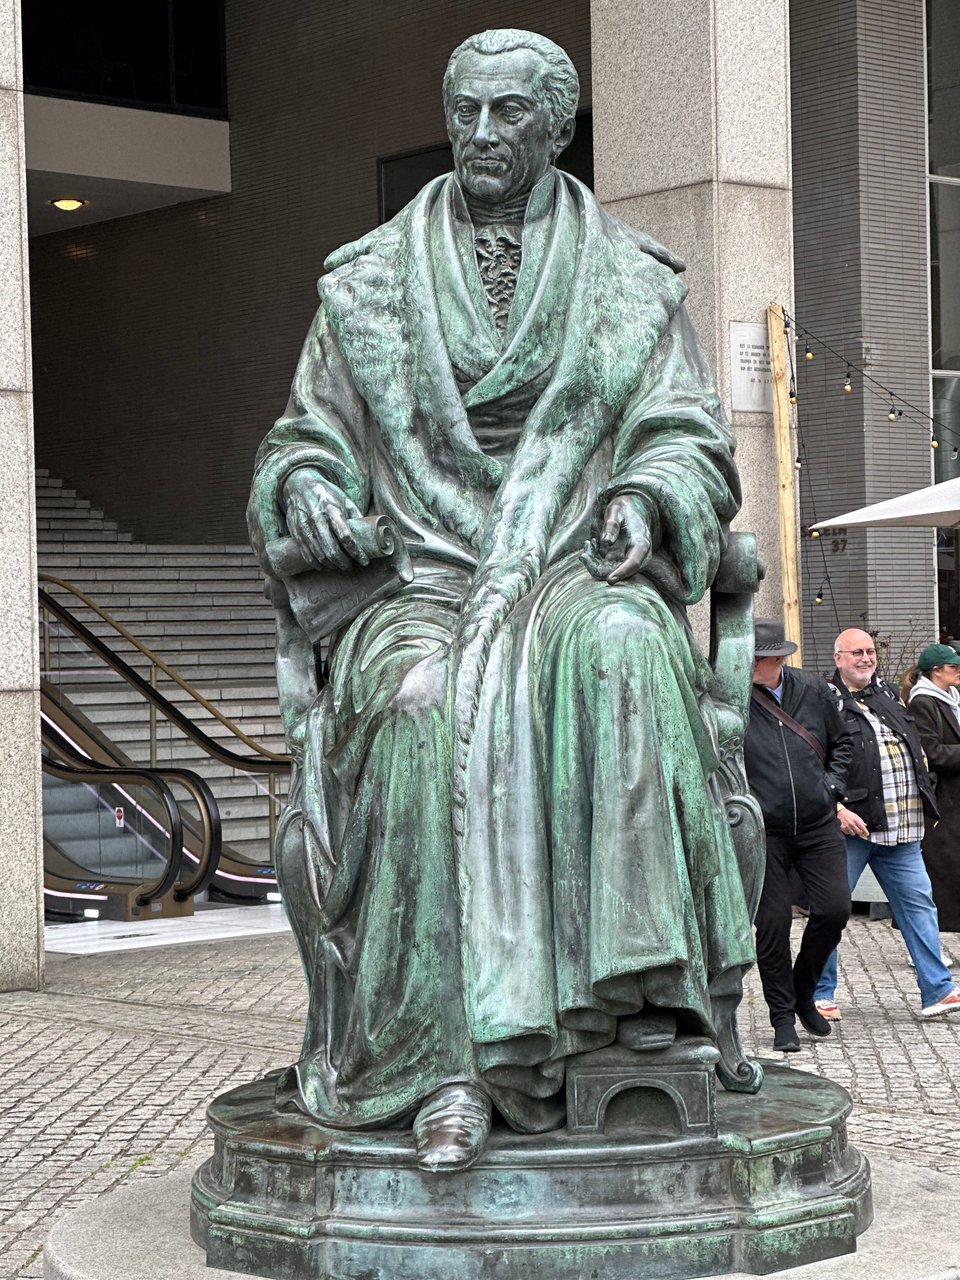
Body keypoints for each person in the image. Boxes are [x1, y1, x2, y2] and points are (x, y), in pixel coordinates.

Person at [248, 28, 762, 1173]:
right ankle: (443, 1065)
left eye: (509, 113)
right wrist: (314, 487)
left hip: (574, 562)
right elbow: (302, 438)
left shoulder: (631, 281)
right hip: (423, 576)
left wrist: (645, 494)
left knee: (626, 648)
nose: (480, 133)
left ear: (559, 128)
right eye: (465, 110)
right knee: (421, 700)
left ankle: (633, 1012)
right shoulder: (366, 281)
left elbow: (687, 434)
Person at [812, 630, 960, 1020]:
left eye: (870, 651)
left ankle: (937, 990)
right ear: (838, 658)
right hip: (853, 827)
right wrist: (836, 808)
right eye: (856, 652)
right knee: (832, 911)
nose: (866, 658)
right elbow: (811, 760)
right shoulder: (824, 700)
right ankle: (818, 994)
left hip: (901, 827)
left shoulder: (889, 694)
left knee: (919, 906)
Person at [744, 619, 853, 1053]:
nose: (748, 665)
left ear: (776, 659)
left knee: (835, 909)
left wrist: (832, 787)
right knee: (772, 923)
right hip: (764, 831)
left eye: (756, 659)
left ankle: (804, 993)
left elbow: (842, 743)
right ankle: (782, 1017)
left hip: (816, 824)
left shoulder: (812, 690)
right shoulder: (735, 697)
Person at [904, 644, 960, 933]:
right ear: (936, 672)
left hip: (955, 800)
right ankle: (930, 936)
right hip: (942, 803)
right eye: (953, 666)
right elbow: (932, 753)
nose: (959, 671)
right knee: (943, 874)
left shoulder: (952, 698)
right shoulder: (923, 702)